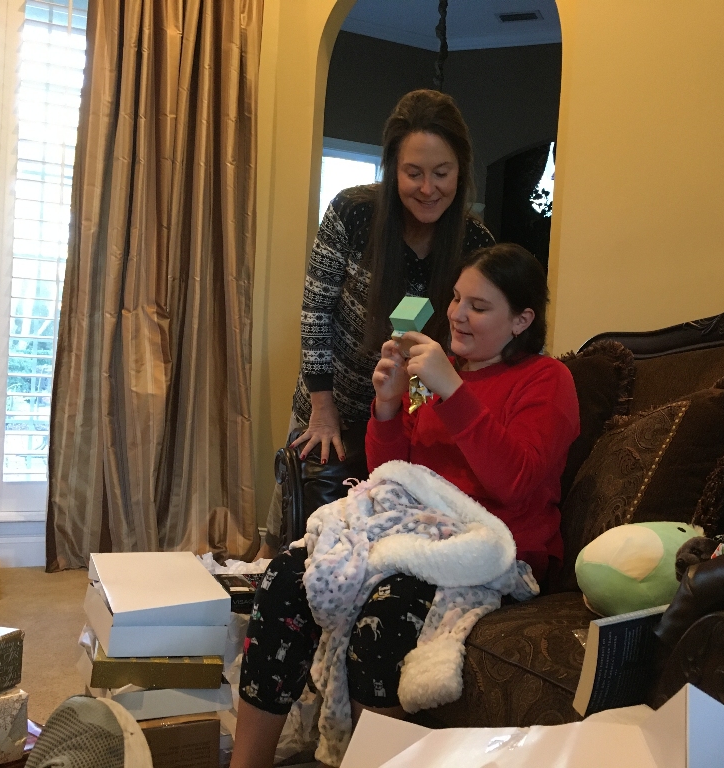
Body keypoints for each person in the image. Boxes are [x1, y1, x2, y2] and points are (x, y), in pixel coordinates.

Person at [231, 244, 579, 768]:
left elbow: (515, 480)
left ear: (521, 320)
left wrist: (451, 388)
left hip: (489, 551)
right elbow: (391, 474)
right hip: (409, 531)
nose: (457, 314)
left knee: (386, 613)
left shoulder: (547, 380)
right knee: (284, 578)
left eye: (479, 306)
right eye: (456, 298)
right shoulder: (435, 380)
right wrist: (390, 404)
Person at [257, 89, 494, 560]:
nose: (428, 188)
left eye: (442, 173)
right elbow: (315, 312)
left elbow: (465, 343)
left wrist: (423, 417)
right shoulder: (353, 213)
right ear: (392, 169)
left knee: (376, 543)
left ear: (461, 171)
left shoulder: (475, 241)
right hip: (329, 401)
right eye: (413, 173)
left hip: (406, 417)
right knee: (292, 531)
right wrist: (322, 409)